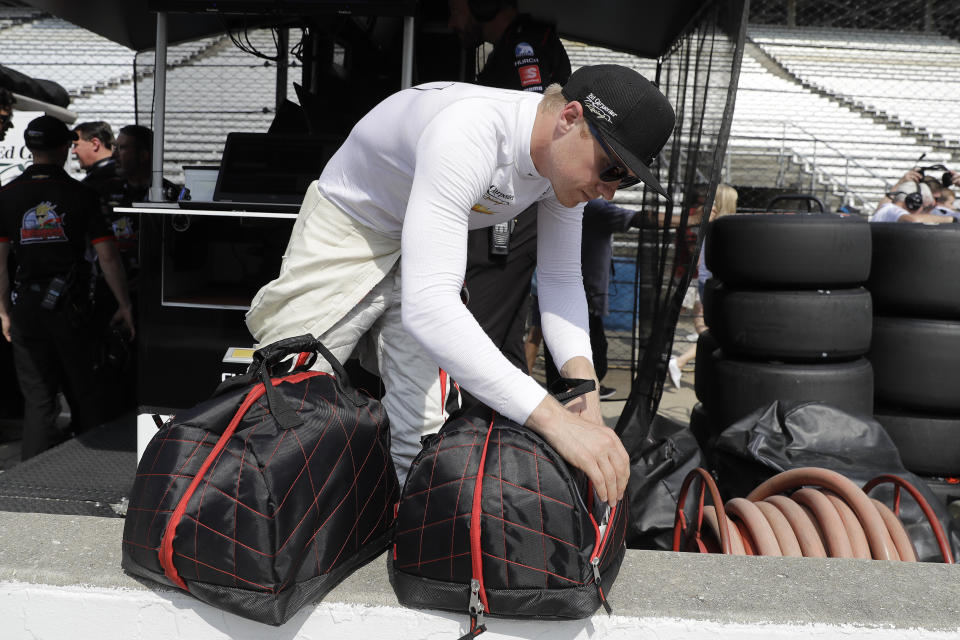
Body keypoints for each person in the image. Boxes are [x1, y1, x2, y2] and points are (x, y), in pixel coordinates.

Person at [246, 64, 676, 503]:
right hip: (350, 229)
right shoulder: (473, 132)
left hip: (420, 242)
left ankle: (401, 545)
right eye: (610, 168)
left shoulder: (563, 168)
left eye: (626, 179)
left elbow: (561, 277)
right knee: (287, 399)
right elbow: (430, 305)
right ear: (569, 117)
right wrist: (554, 419)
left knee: (422, 429)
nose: (610, 191)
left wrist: (583, 392)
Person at [0, 115, 134, 460]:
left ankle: (28, 481)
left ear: (30, 148)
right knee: (85, 391)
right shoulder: (81, 194)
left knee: (38, 398)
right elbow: (107, 256)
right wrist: (125, 305)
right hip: (71, 307)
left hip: (25, 309)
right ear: (64, 148)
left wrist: (3, 310)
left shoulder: (7, 195)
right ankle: (89, 469)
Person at [449, 0, 571, 374]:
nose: (452, 21)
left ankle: (463, 421)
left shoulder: (524, 47)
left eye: (456, 7)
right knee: (505, 330)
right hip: (512, 203)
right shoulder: (516, 45)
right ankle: (504, 427)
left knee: (478, 320)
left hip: (514, 204)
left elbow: (537, 112)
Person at [542, 198, 654, 398]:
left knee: (582, 345)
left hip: (580, 292)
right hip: (583, 293)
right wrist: (688, 218)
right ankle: (569, 392)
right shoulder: (592, 206)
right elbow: (638, 218)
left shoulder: (585, 206)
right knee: (589, 348)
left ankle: (573, 391)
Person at [669, 183, 738, 389]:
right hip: (715, 284)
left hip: (706, 282)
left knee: (711, 329)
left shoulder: (711, 226)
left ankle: (690, 364)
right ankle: (680, 362)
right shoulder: (724, 227)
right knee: (719, 333)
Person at [72, 121, 116, 189]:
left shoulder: (101, 180)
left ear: (95, 144)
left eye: (76, 145)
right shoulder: (121, 172)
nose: (73, 151)